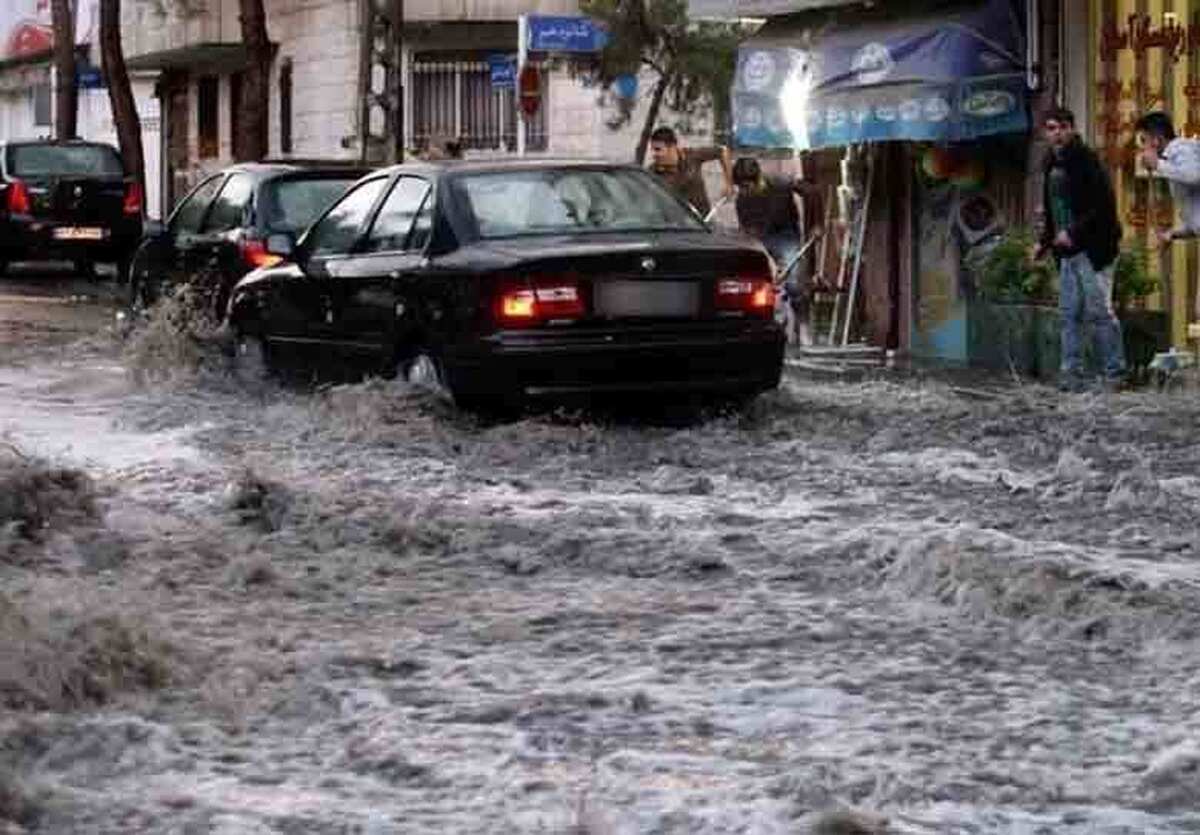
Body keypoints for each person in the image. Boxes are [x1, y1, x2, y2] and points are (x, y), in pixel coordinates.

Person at [1035, 106, 1126, 391]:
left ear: (1072, 129)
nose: (1057, 134)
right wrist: (1045, 241)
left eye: (1062, 127)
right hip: (1067, 252)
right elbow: (1053, 207)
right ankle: (1071, 372)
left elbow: (1102, 207)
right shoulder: (1051, 162)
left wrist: (1072, 231)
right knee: (1069, 313)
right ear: (1045, 133)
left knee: (1099, 311)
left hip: (1093, 249)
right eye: (1051, 128)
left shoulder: (1086, 161)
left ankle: (1114, 373)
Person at [732, 156, 824, 345]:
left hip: (786, 234)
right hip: (762, 238)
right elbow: (749, 234)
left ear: (758, 180)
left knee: (794, 283)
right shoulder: (742, 200)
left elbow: (813, 193)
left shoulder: (780, 183)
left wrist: (817, 224)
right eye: (741, 188)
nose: (744, 191)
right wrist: (768, 261)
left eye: (747, 187)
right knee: (759, 284)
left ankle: (804, 324)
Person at [1135, 111, 1200, 248]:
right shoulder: (1172, 159)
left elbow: (1194, 175)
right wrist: (1172, 234)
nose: (1143, 148)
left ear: (1157, 140)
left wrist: (1157, 164)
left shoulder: (1182, 149)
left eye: (1144, 140)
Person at [647, 126, 732, 218]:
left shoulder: (691, 156)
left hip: (703, 221)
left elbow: (723, 151)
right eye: (652, 149)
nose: (654, 154)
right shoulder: (652, 173)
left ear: (672, 147)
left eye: (657, 149)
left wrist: (729, 184)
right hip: (677, 225)